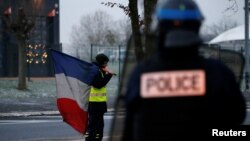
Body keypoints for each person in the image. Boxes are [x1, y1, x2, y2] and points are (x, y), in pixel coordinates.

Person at [122, 0, 246, 140]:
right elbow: (237, 117)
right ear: (197, 26)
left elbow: (129, 129)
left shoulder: (142, 74)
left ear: (160, 27)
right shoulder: (218, 72)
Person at [85, 53, 115, 141]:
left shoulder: (99, 70)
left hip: (99, 103)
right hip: (95, 104)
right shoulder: (94, 71)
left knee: (99, 126)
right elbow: (99, 84)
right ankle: (89, 139)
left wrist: (105, 73)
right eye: (105, 63)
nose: (107, 65)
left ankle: (97, 139)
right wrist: (109, 75)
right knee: (93, 126)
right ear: (101, 62)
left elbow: (101, 81)